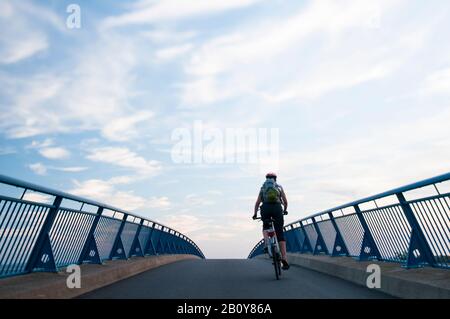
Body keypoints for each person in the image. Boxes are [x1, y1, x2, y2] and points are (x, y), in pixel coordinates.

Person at [252, 172, 290, 270]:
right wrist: (285, 210)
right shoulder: (279, 187)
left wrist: (255, 214)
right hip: (277, 208)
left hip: (266, 208)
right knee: (280, 233)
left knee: (265, 226)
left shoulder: (263, 188)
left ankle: (266, 243)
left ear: (266, 179)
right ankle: (284, 258)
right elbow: (285, 202)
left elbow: (257, 203)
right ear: (275, 179)